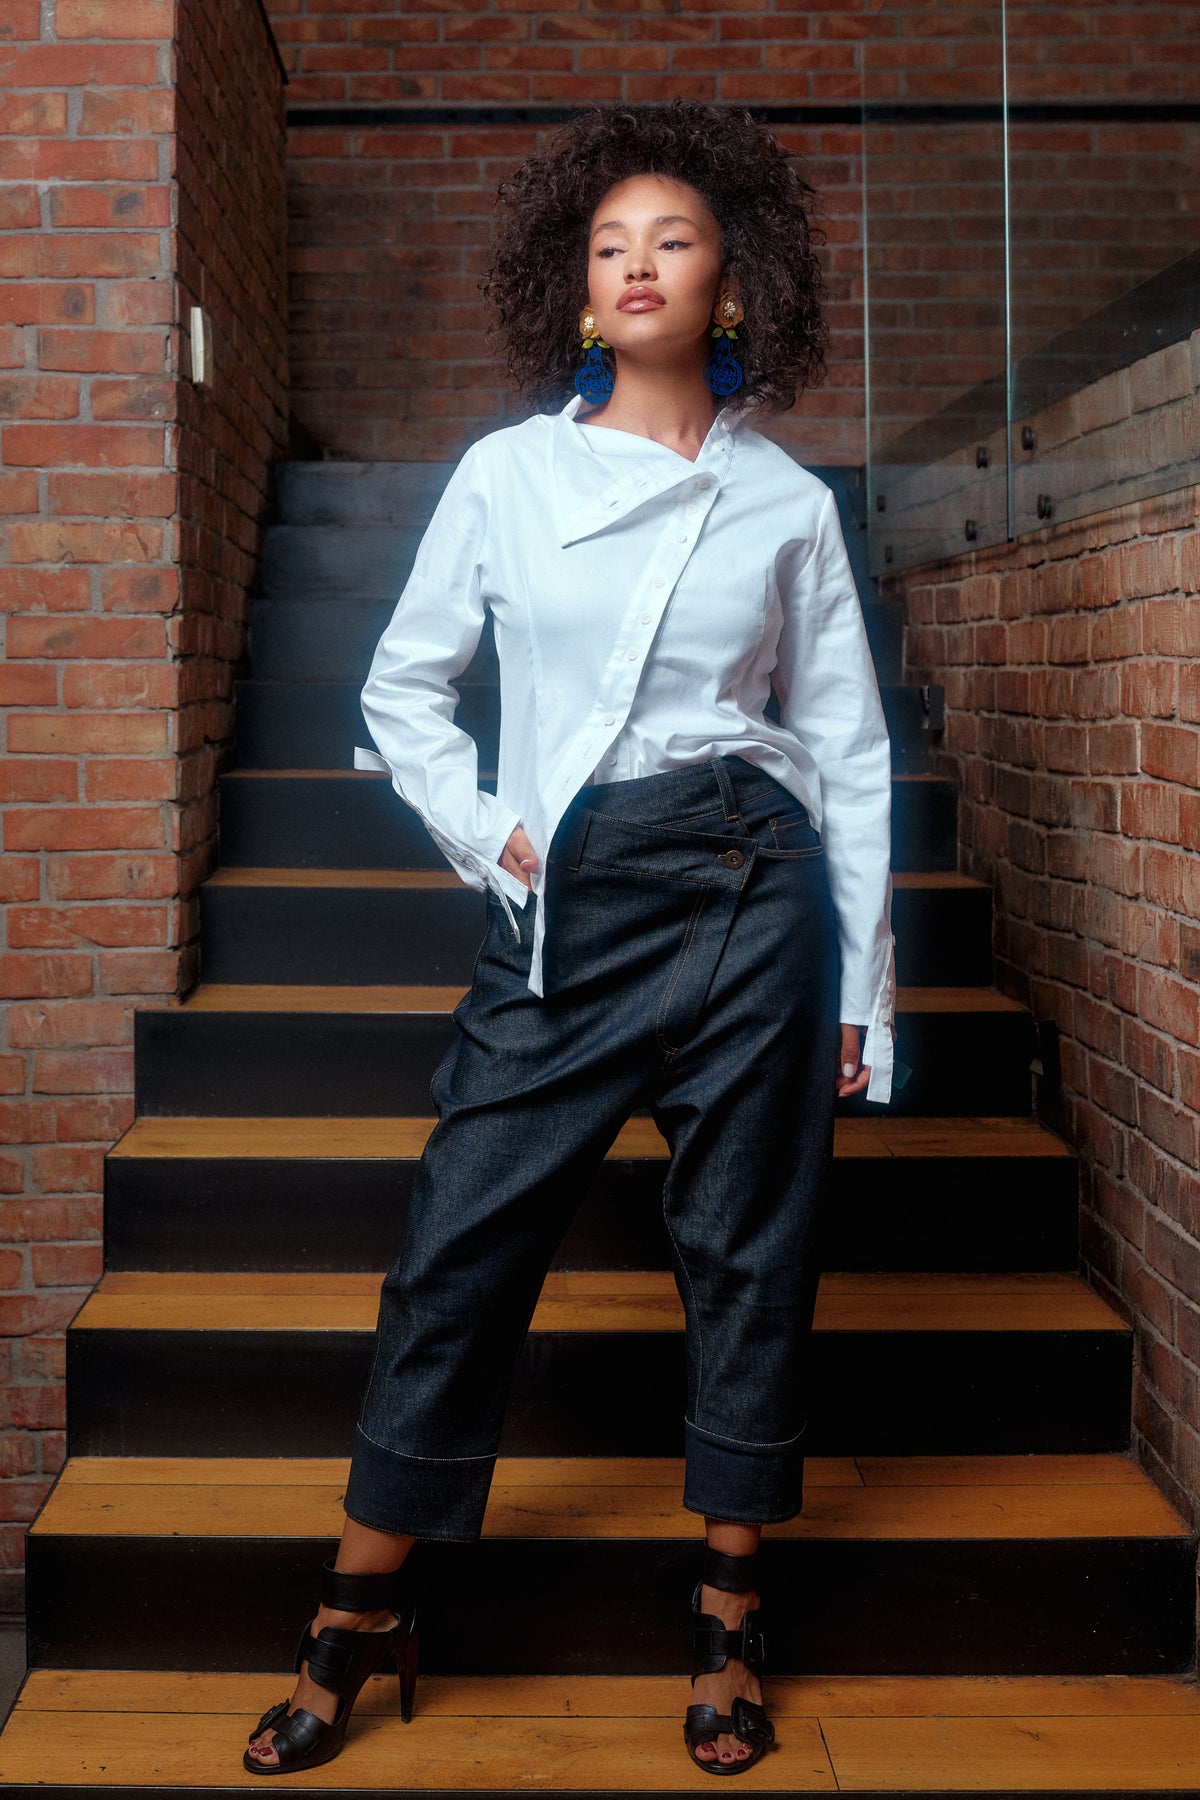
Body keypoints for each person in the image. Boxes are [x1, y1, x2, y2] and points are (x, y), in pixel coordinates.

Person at [243, 96, 895, 1781]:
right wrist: (492, 830)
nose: (639, 265)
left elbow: (846, 748)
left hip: (755, 891)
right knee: (457, 1246)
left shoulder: (786, 503)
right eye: (611, 246)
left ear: (731, 280)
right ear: (578, 284)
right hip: (571, 903)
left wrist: (864, 989)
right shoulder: (509, 475)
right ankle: (359, 1608)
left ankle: (731, 1617)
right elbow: (401, 691)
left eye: (673, 239)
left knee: (749, 1256)